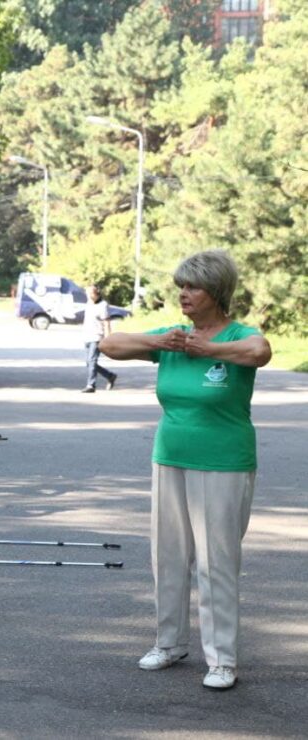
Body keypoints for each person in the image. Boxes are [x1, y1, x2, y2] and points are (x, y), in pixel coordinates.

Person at [99, 249, 270, 691]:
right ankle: (170, 642)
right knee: (168, 556)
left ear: (216, 291)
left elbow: (260, 351)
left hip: (223, 463)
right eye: (181, 287)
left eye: (192, 287)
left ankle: (223, 659)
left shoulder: (237, 336)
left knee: (217, 562)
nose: (184, 294)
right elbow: (109, 346)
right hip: (169, 457)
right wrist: (161, 343)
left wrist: (211, 349)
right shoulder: (173, 338)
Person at [81, 284, 118, 393]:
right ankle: (110, 376)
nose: (87, 295)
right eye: (87, 293)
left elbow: (106, 322)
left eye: (89, 293)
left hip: (97, 336)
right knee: (89, 363)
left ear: (95, 294)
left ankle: (91, 385)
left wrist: (108, 338)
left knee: (92, 361)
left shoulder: (103, 305)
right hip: (87, 336)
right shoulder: (88, 303)